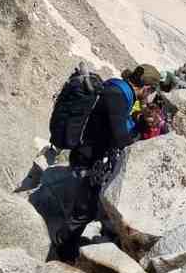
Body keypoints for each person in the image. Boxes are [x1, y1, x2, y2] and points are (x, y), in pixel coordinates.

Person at [55, 66, 148, 261]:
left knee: (86, 207)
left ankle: (67, 246)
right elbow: (120, 138)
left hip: (85, 153)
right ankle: (62, 251)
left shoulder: (116, 87)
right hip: (89, 158)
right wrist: (139, 127)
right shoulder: (119, 96)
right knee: (84, 210)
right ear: (145, 88)